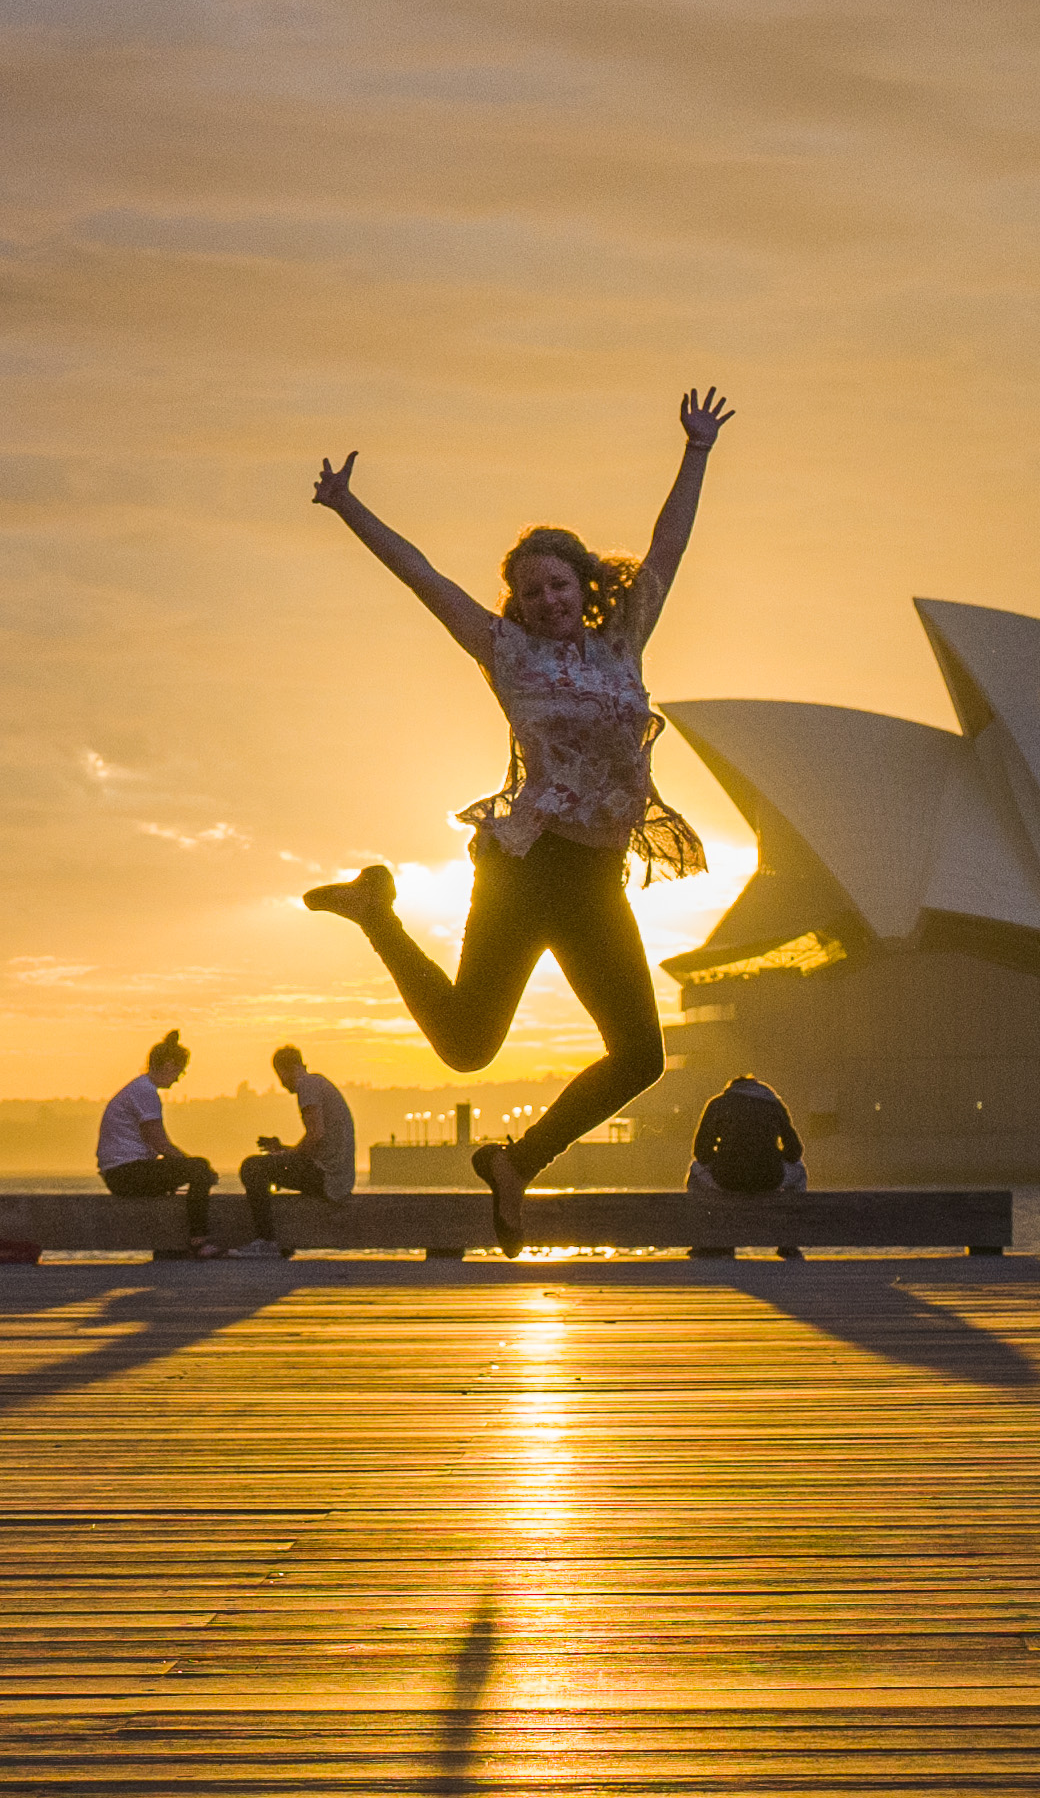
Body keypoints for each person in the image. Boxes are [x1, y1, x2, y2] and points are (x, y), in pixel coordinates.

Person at [301, 386, 726, 1252]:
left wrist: (696, 451)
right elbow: (423, 577)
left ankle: (515, 1163)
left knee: (639, 1057)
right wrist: (349, 506)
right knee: (467, 1047)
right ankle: (379, 914)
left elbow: (669, 545)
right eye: (529, 591)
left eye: (558, 585)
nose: (545, 600)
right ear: (518, 601)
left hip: (595, 876)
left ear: (583, 585)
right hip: (527, 866)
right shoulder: (506, 652)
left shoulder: (623, 638)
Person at [97, 1032, 219, 1232]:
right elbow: (159, 1143)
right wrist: (195, 1165)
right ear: (169, 1065)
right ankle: (199, 1238)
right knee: (199, 1169)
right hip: (126, 1174)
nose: (179, 1078)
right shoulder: (145, 1092)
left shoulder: (137, 1088)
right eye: (180, 1072)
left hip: (119, 1173)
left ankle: (170, 1243)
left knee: (192, 1167)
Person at [683, 1066, 805, 1264]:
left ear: (732, 1088)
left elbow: (701, 1154)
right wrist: (770, 1154)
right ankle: (788, 1241)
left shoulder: (718, 1103)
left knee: (695, 1172)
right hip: (769, 1179)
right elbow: (794, 1152)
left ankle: (706, 1240)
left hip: (727, 1178)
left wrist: (724, 1153)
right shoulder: (774, 1104)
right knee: (799, 1171)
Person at [239, 1040, 359, 1238]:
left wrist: (289, 1154)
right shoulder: (319, 1082)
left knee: (252, 1167)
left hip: (329, 1179)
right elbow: (318, 1141)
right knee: (269, 1166)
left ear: (287, 1070)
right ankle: (278, 1242)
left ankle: (266, 1240)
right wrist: (283, 1150)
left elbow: (316, 1134)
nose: (281, 1083)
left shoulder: (306, 1085)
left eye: (280, 1075)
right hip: (339, 1178)